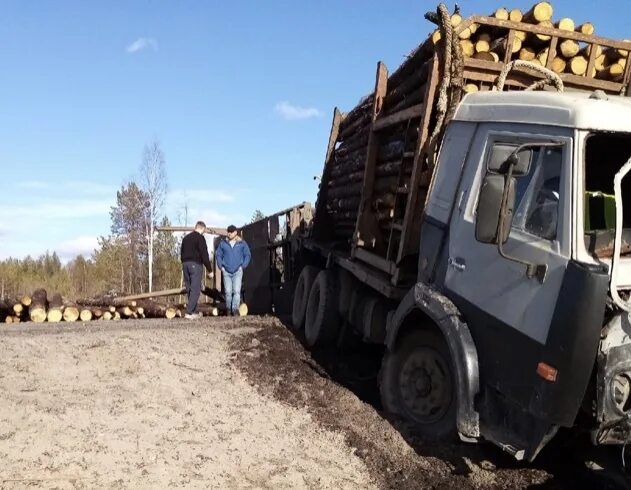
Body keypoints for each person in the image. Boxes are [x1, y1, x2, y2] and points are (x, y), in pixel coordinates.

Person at [180, 221, 213, 319]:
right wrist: (210, 270)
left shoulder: (186, 238)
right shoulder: (200, 238)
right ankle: (189, 312)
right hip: (195, 264)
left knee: (189, 287)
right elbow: (204, 255)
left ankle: (193, 311)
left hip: (185, 264)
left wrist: (184, 262)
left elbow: (181, 252)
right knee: (196, 288)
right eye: (204, 231)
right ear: (202, 228)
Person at [216, 225, 251, 316]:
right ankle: (228, 309)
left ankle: (235, 309)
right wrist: (221, 267)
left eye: (231, 231)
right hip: (226, 271)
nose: (229, 233)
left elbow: (247, 255)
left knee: (236, 291)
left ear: (236, 232)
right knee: (228, 291)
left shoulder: (242, 243)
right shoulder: (223, 243)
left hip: (238, 271)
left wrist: (242, 266)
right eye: (228, 231)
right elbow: (218, 255)